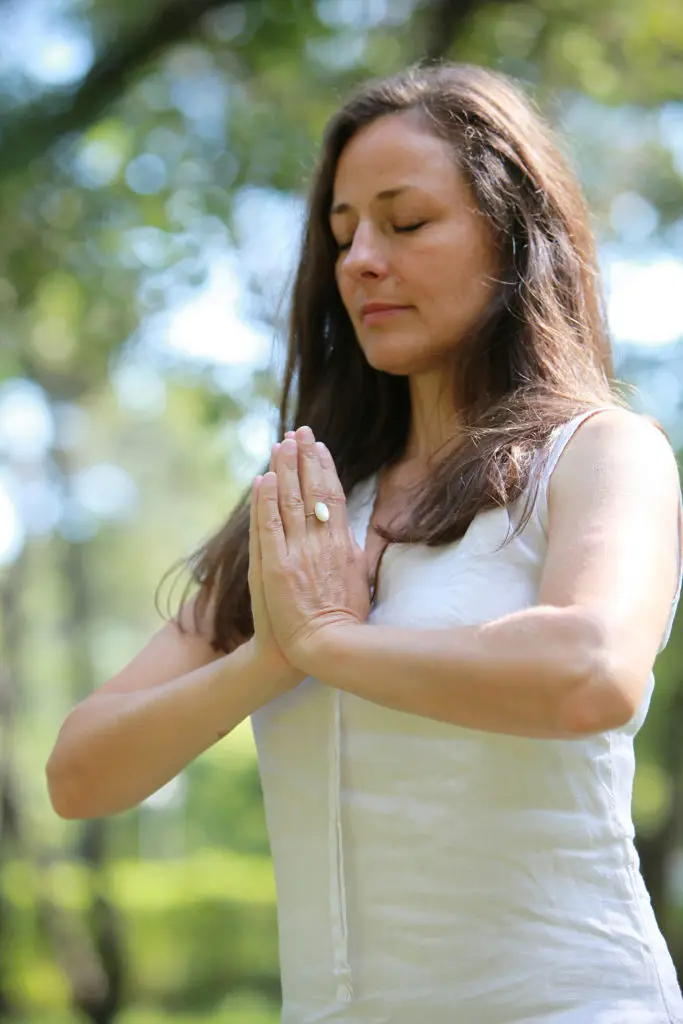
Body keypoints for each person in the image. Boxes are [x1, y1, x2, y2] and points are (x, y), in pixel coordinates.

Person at [46, 61, 683, 1023]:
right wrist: (270, 659)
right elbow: (81, 772)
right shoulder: (306, 511)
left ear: (512, 232)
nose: (360, 261)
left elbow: (590, 671)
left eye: (406, 221)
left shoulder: (600, 453)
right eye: (343, 234)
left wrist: (331, 645)